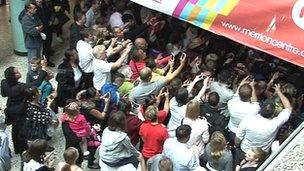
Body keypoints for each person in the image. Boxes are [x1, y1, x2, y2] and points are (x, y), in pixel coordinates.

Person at [235, 84, 292, 164]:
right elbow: (289, 108)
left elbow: (237, 139)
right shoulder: (275, 123)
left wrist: (237, 147)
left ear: (261, 108)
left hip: (244, 151)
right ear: (273, 114)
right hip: (260, 156)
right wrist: (279, 92)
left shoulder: (248, 120)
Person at [1, 67, 45, 154]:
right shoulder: (20, 87)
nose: (19, 72)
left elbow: (3, 94)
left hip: (10, 109)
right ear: (12, 76)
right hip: (19, 111)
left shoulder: (4, 82)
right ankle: (23, 149)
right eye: (16, 72)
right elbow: (36, 83)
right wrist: (43, 69)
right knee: (22, 130)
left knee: (15, 129)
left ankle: (17, 148)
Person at [227, 77, 260, 145]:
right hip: (243, 135)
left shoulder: (231, 103)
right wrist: (252, 87)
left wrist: (241, 85)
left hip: (231, 131)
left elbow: (236, 95)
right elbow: (255, 101)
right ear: (251, 95)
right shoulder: (254, 109)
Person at [21, 2, 44, 68]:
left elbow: (42, 25)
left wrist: (37, 28)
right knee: (32, 63)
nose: (36, 9)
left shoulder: (35, 16)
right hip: (31, 45)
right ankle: (31, 77)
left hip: (38, 42)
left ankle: (38, 75)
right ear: (28, 9)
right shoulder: (25, 20)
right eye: (34, 8)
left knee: (38, 61)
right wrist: (37, 28)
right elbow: (33, 32)